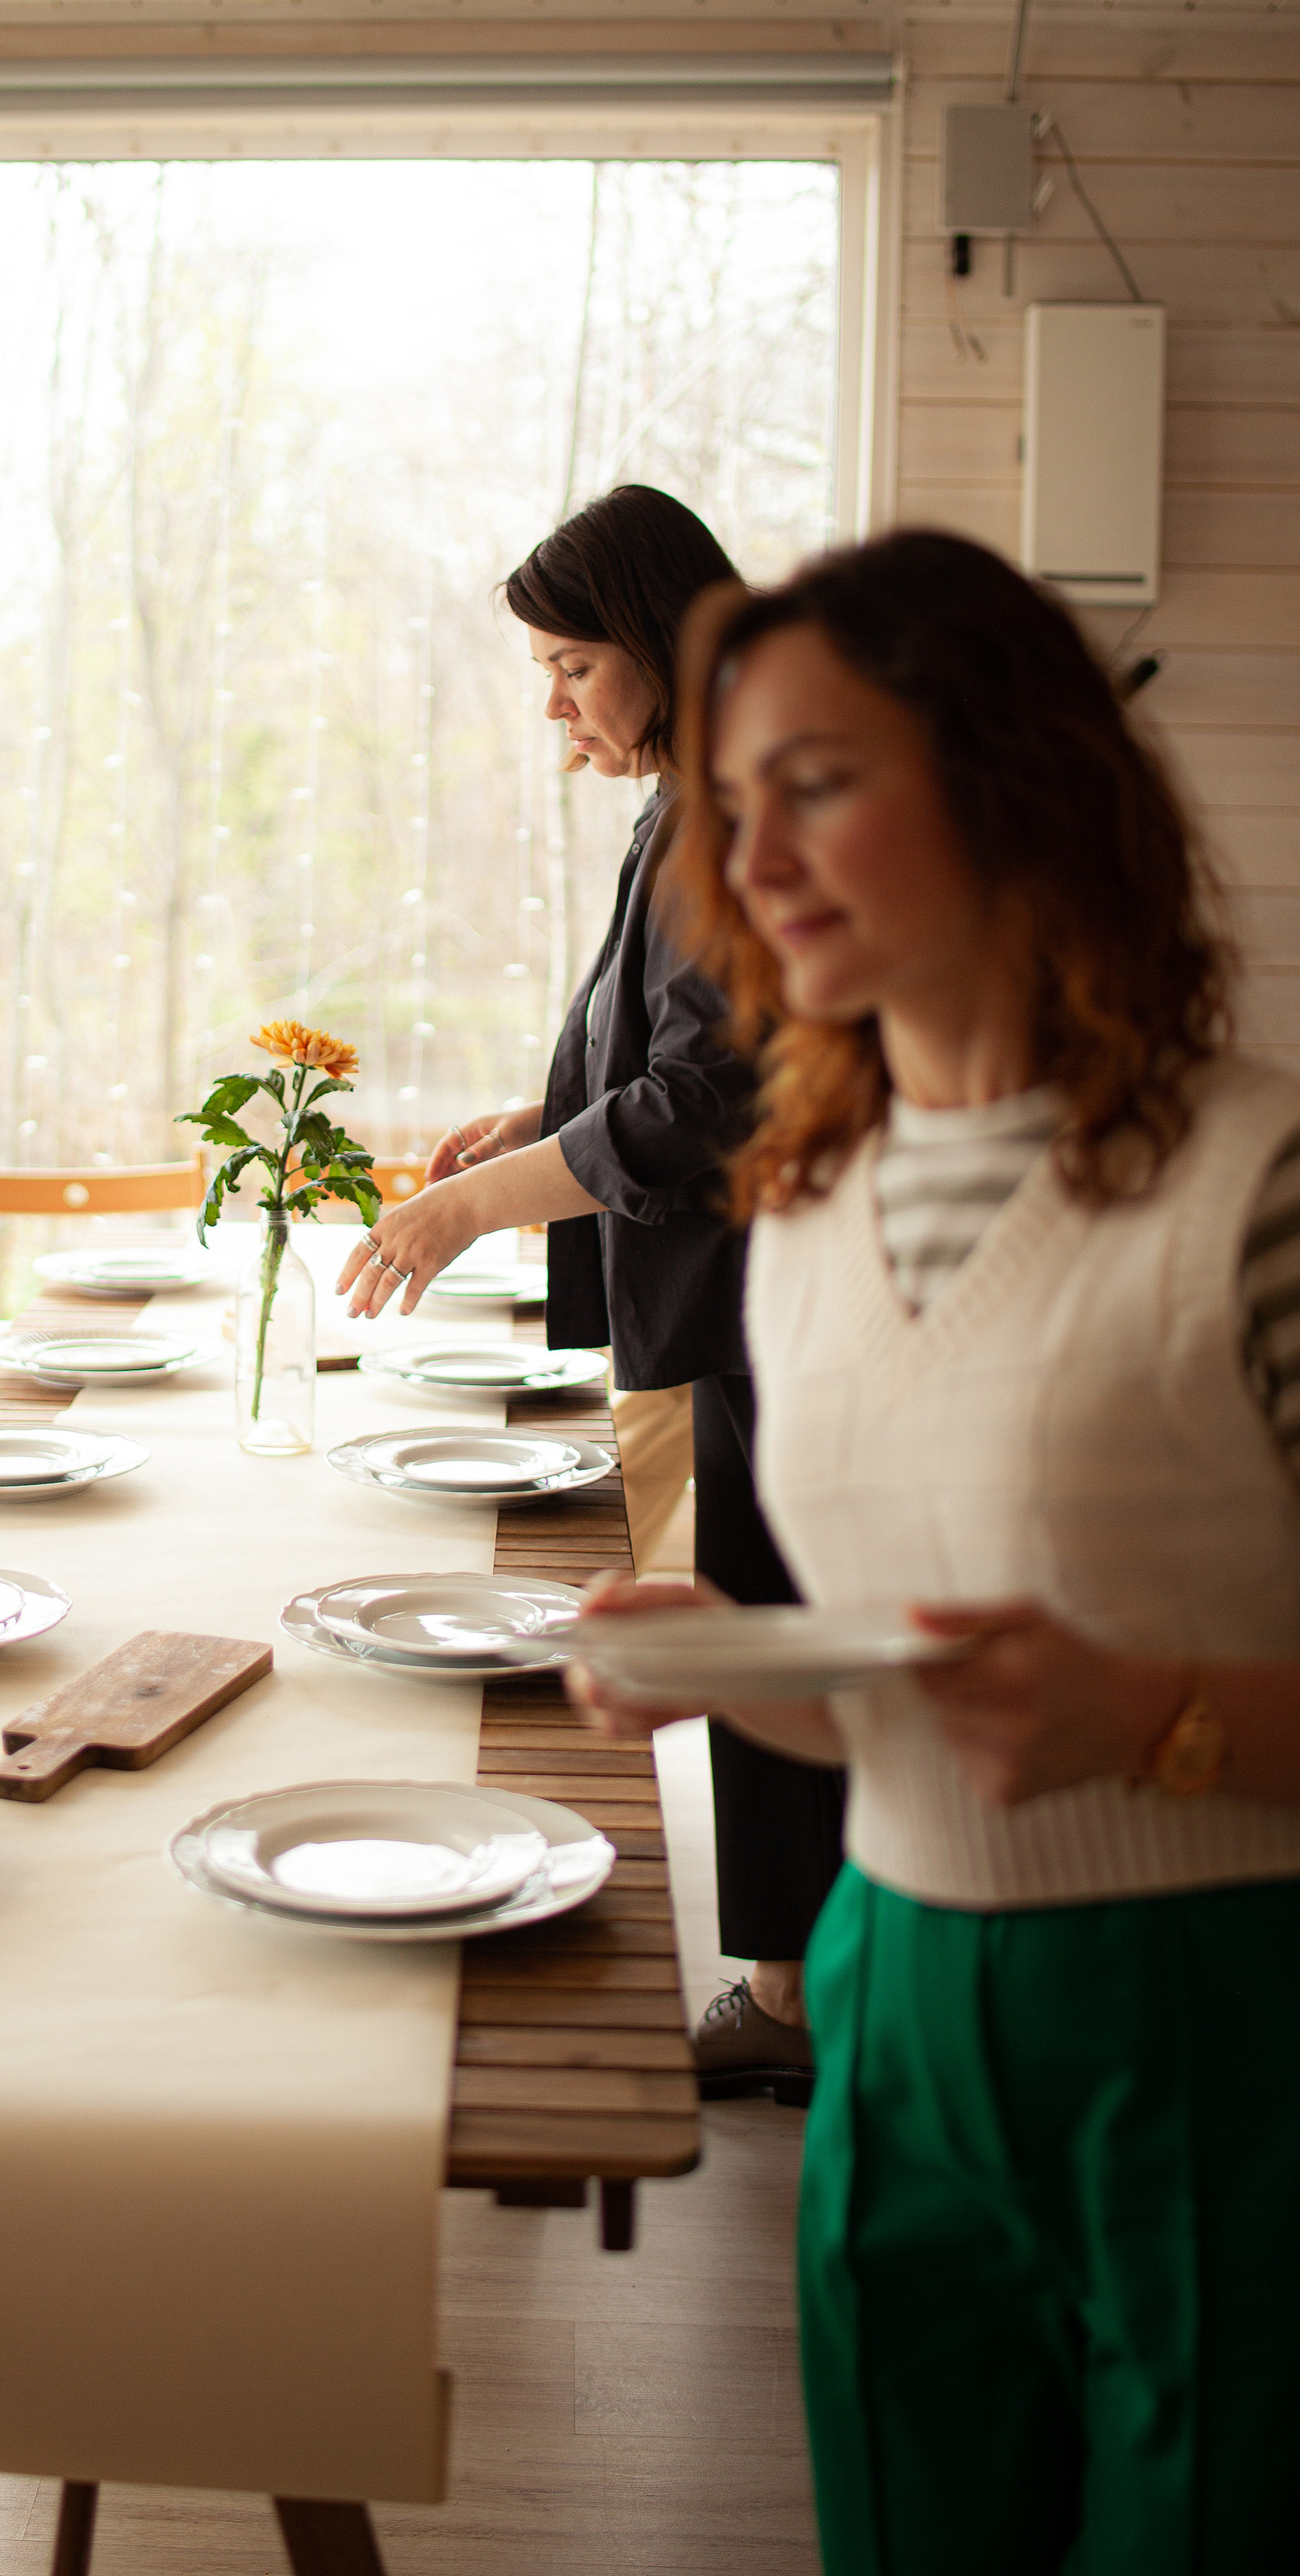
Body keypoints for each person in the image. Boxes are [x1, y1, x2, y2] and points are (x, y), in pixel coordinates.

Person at [578, 527, 1300, 2572]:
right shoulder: (803, 1214)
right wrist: (745, 1663)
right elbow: (895, 1701)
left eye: (819, 780)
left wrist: (1150, 1717)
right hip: (888, 2001)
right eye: (733, 807)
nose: (755, 855)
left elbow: (1093, 1699)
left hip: (1219, 2018)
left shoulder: (1263, 1183)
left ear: (1012, 777)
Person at [339, 482, 845, 2099]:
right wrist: (530, 1118)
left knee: (770, 1626)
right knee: (761, 1616)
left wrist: (476, 1205)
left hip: (792, 1302)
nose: (554, 703)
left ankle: (789, 2005)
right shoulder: (685, 805)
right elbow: (646, 1046)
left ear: (653, 643)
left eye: (569, 665)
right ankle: (798, 1980)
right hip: (764, 1299)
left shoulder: (731, 815)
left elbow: (702, 1101)